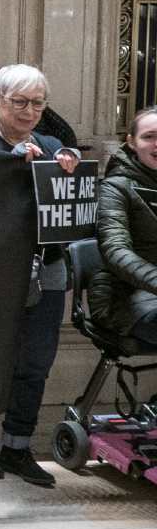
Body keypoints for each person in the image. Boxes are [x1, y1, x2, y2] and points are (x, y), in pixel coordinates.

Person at [0, 64, 79, 486]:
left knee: (35, 362)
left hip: (46, 269)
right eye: (20, 102)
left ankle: (18, 446)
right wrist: (8, 164)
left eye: (38, 104)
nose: (29, 112)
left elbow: (76, 183)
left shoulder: (50, 143)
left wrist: (71, 163)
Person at [92, 106, 157, 351]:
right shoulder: (115, 187)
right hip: (123, 296)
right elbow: (115, 251)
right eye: (149, 137)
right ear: (131, 142)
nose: (156, 144)